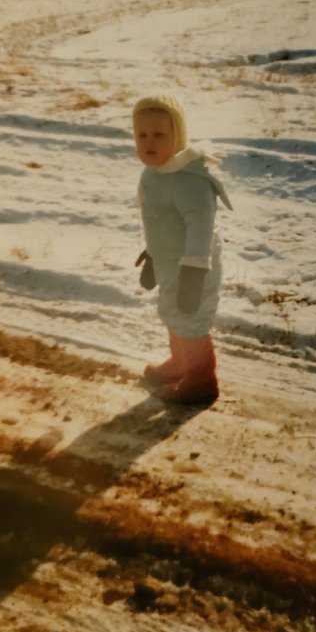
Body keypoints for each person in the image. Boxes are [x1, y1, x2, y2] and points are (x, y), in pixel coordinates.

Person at [132, 93, 231, 405]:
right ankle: (180, 363)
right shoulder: (155, 173)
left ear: (179, 135)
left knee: (192, 320)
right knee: (174, 315)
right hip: (169, 262)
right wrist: (152, 254)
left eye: (159, 135)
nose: (149, 142)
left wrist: (194, 271)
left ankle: (201, 380)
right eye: (141, 135)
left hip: (194, 267)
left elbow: (201, 226)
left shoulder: (190, 181)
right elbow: (161, 222)